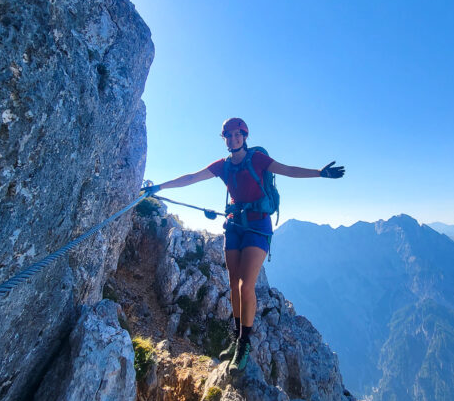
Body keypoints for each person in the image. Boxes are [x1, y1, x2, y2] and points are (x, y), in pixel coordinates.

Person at [141, 117, 345, 374]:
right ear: (224, 138)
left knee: (245, 285)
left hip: (258, 227)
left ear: (245, 136)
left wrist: (320, 173)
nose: (233, 139)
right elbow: (192, 177)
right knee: (233, 285)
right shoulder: (223, 166)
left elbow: (288, 170)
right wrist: (159, 186)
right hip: (234, 226)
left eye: (237, 134)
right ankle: (237, 338)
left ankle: (244, 344)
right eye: (228, 135)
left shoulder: (257, 160)